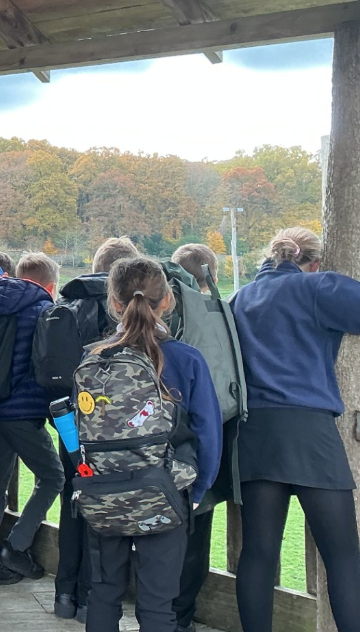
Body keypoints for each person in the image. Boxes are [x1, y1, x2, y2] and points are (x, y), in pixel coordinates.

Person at [231, 228, 360, 632]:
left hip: (253, 433)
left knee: (257, 554)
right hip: (308, 431)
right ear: (314, 262)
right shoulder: (316, 287)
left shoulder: (240, 298)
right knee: (342, 557)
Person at [82, 257, 222, 632]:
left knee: (104, 592)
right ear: (168, 300)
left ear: (113, 303)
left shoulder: (94, 358)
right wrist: (200, 486)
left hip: (104, 487)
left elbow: (80, 428)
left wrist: (86, 474)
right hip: (165, 488)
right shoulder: (186, 358)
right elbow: (208, 431)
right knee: (159, 602)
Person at [49, 235, 139, 622]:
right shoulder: (118, 311)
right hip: (109, 434)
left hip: (69, 426)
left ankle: (63, 595)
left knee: (72, 507)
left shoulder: (66, 301)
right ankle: (91, 600)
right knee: (102, 515)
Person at [0, 252, 63, 588]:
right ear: (50, 285)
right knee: (54, 477)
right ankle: (17, 546)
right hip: (24, 412)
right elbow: (50, 369)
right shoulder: (44, 310)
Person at [169, 242, 225, 632]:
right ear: (212, 276)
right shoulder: (215, 318)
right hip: (189, 456)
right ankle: (180, 617)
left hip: (133, 457)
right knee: (193, 539)